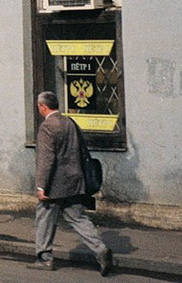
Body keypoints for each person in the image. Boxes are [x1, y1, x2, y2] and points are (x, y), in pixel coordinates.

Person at [31, 91, 112, 274]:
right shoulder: (69, 122)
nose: (38, 109)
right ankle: (100, 250)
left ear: (43, 107)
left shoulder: (47, 127)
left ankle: (45, 258)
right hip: (75, 180)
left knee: (44, 217)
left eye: (38, 106)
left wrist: (41, 185)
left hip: (54, 184)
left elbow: (46, 159)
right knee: (78, 218)